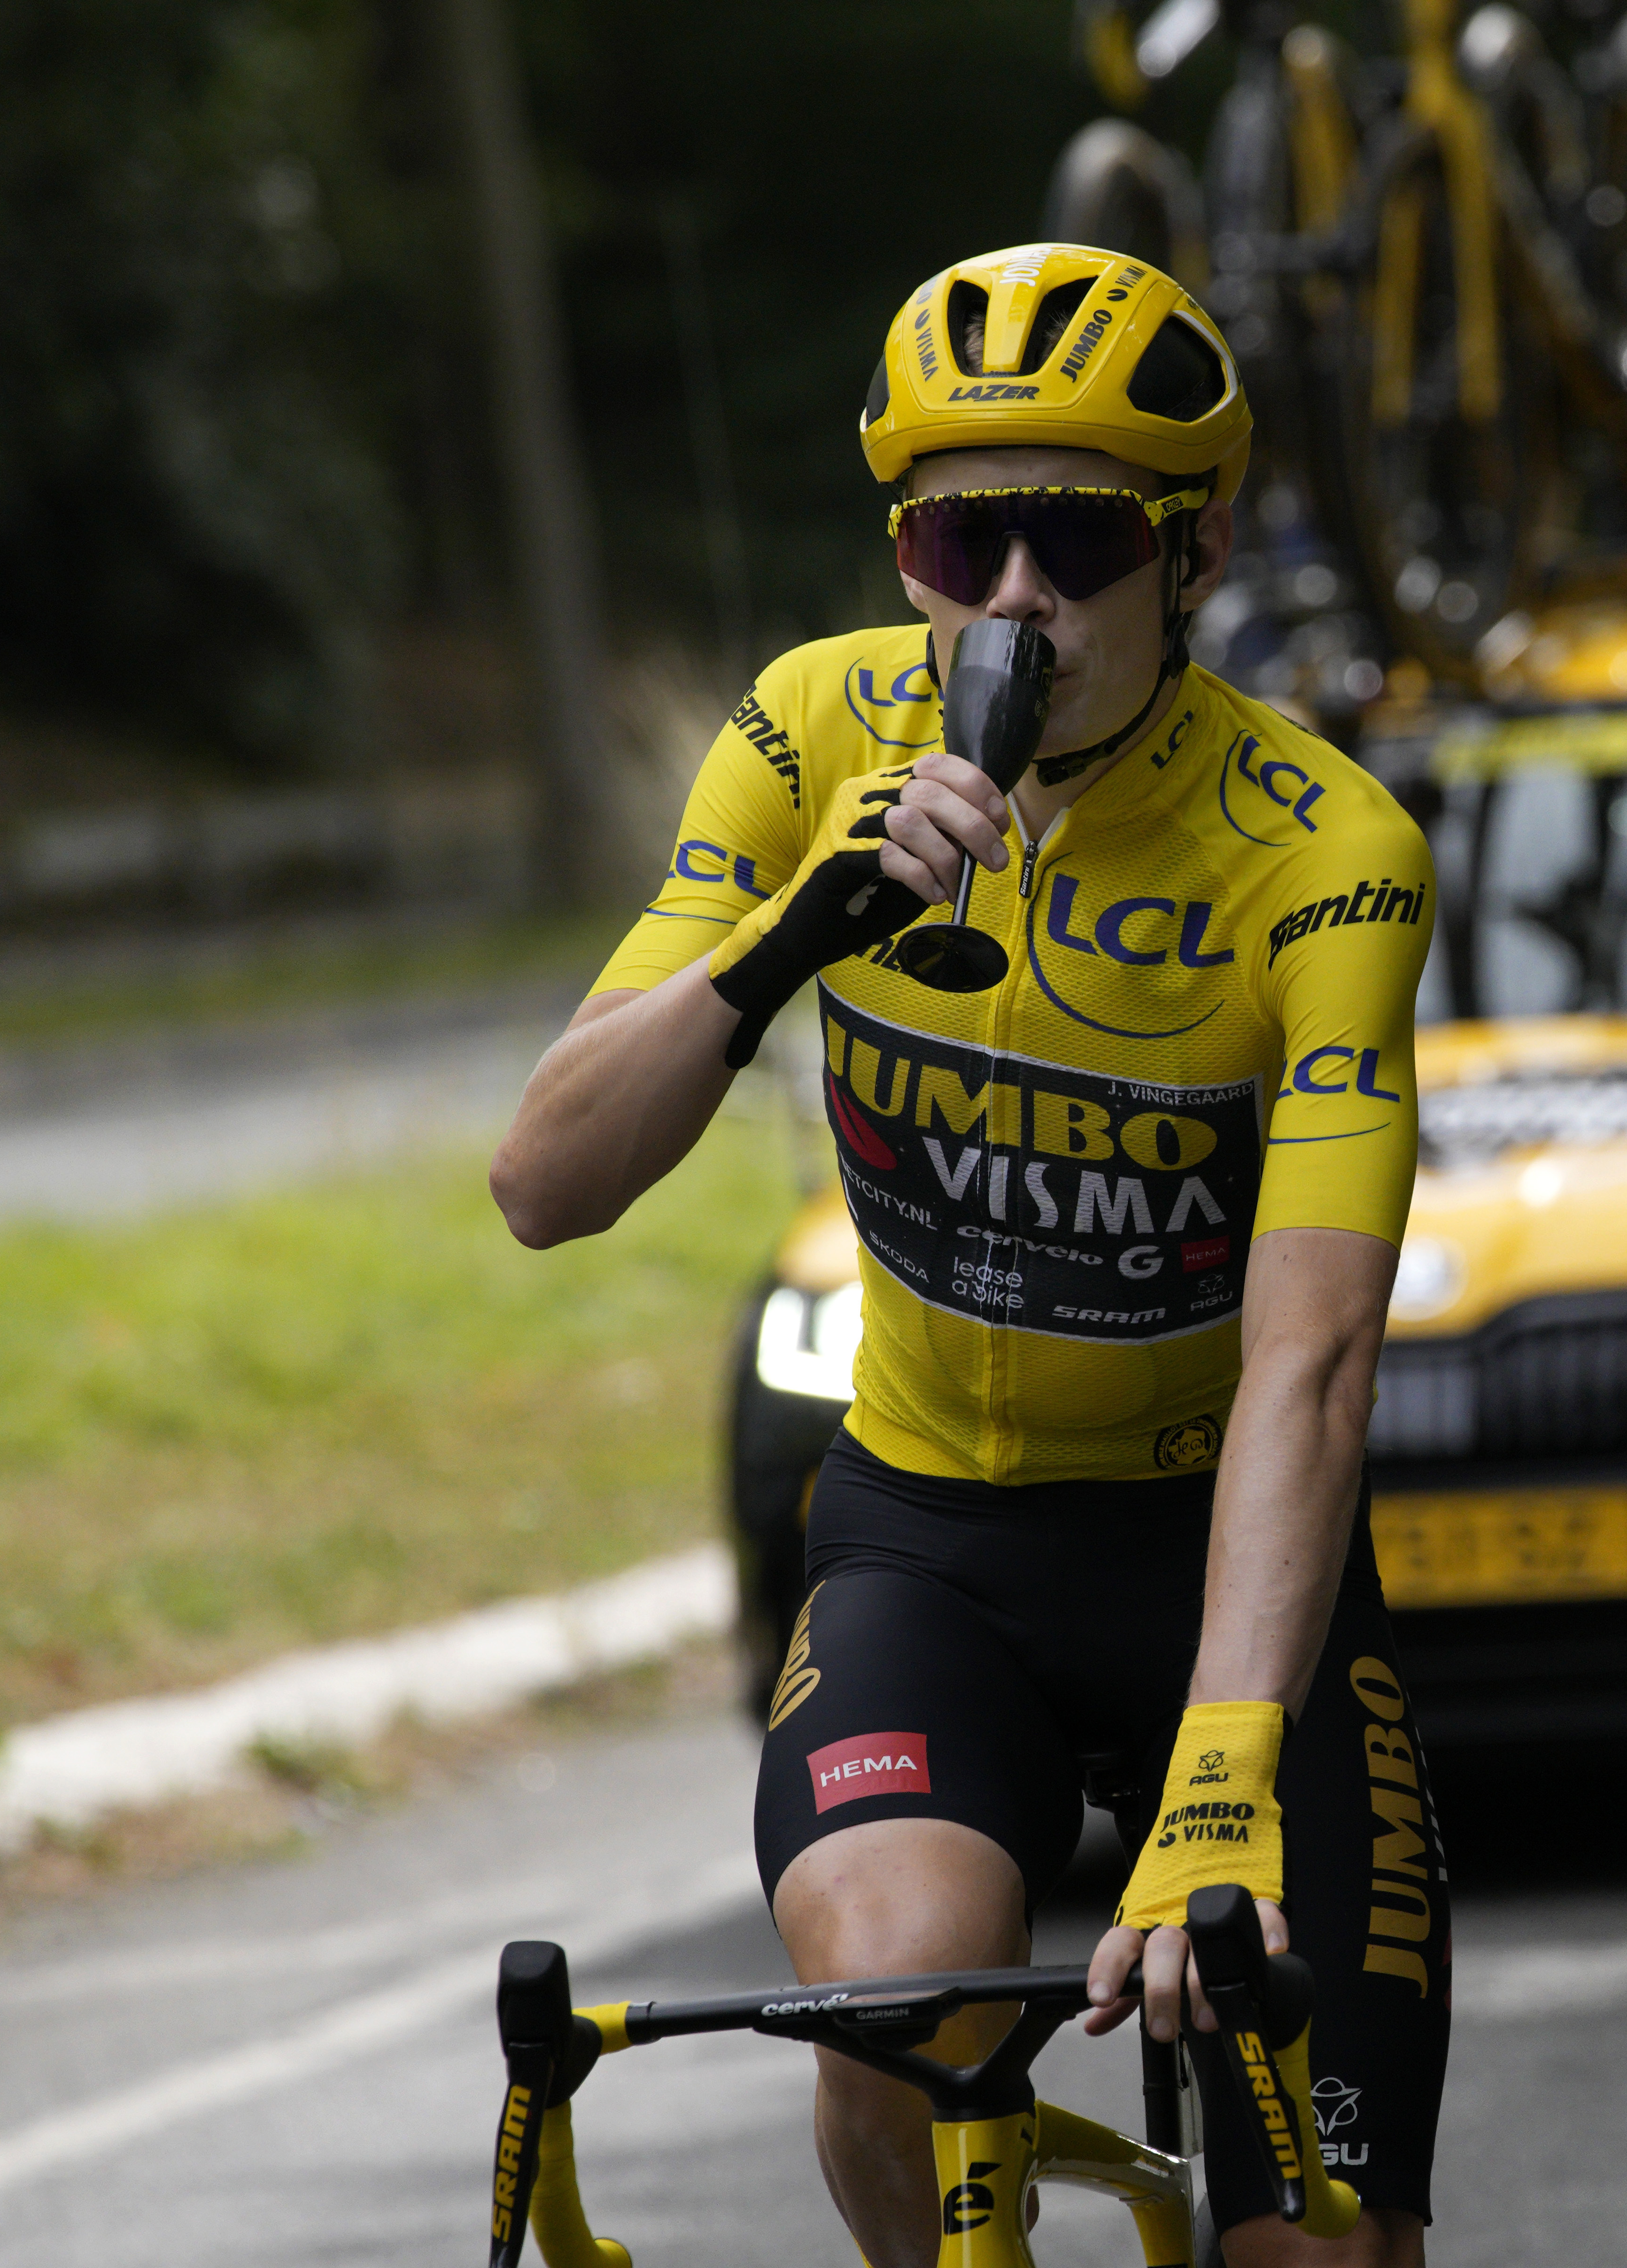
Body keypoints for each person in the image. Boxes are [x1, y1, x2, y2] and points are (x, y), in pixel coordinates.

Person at [489, 243, 1445, 2268]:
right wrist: (776, 950)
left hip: (1221, 1553)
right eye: (955, 534)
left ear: (1186, 557)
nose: (1009, 598)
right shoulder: (801, 730)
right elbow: (544, 1182)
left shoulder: (1322, 847)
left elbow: (1315, 1359)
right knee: (901, 2002)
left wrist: (1223, 1775)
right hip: (932, 1540)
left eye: (1076, 537)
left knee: (1326, 2248)